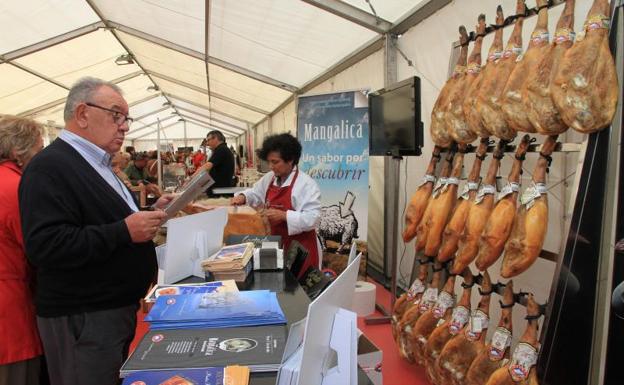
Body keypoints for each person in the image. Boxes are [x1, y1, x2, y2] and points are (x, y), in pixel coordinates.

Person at [18, 77, 174, 385]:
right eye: (116, 115)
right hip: (83, 316)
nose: (125, 126)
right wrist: (124, 231)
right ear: (82, 114)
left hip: (107, 311)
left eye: (126, 118)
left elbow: (100, 218)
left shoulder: (97, 164)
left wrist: (145, 215)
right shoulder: (50, 167)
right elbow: (45, 245)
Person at [231, 133, 321, 278]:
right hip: (274, 244)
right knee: (276, 284)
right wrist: (243, 197)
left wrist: (284, 215)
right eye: (269, 162)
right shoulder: (269, 178)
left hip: (300, 249)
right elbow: (255, 193)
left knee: (298, 292)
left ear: (290, 159)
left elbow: (313, 218)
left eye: (275, 162)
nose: (271, 167)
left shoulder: (306, 184)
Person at [0, 116, 45, 385]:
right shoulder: (15, 187)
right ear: (18, 151)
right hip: (10, 313)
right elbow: (37, 247)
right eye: (39, 150)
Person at [196, 130, 235, 196]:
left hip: (221, 192)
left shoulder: (221, 150)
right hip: (220, 190)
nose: (207, 143)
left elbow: (207, 167)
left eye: (208, 140)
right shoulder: (221, 149)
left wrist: (191, 179)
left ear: (215, 138)